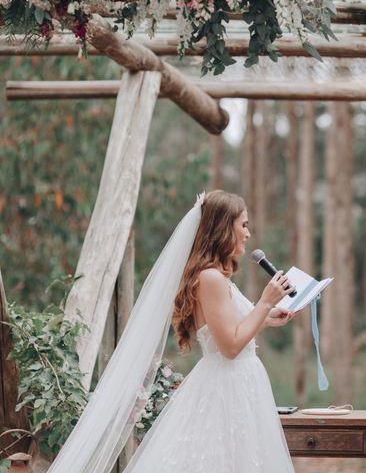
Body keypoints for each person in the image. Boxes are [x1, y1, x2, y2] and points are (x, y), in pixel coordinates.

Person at [49, 190, 296, 473]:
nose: (248, 233)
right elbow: (229, 348)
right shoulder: (211, 278)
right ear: (222, 229)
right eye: (243, 225)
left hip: (240, 384)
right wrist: (264, 302)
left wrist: (266, 317)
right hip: (227, 388)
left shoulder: (217, 277)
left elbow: (231, 331)